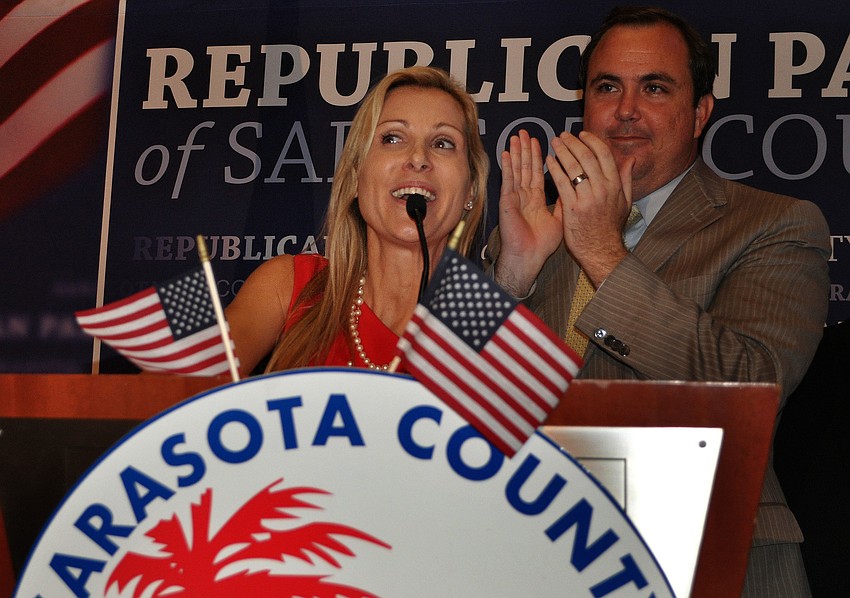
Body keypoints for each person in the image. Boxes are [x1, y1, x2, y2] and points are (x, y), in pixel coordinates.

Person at [488, 6, 830, 597]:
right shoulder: (531, 225)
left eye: (654, 88)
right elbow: (447, 402)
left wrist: (601, 251)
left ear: (700, 113)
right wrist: (512, 275)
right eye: (607, 87)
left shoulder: (774, 224)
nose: (625, 109)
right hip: (538, 556)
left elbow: (751, 386)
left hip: (710, 557)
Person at [226, 66, 488, 375]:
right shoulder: (289, 287)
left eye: (443, 143)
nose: (418, 158)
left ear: (470, 190)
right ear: (354, 178)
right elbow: (181, 392)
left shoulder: (484, 336)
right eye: (392, 138)